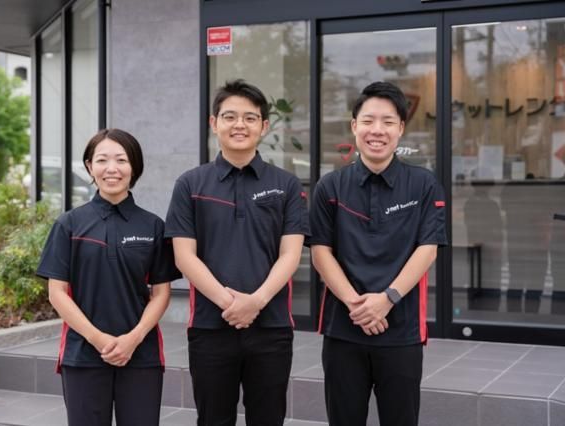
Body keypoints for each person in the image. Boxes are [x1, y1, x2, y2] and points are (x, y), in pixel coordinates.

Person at [165, 79, 309, 425]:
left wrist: (256, 301)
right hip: (211, 327)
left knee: (268, 418)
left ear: (264, 126)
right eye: (230, 117)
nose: (239, 125)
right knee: (213, 419)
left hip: (271, 326)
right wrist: (231, 304)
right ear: (214, 123)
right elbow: (184, 256)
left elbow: (291, 254)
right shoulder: (190, 184)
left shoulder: (286, 185)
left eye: (249, 117)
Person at [308, 81, 447, 426]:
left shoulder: (424, 184)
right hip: (343, 329)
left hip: (402, 330)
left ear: (401, 129)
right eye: (368, 121)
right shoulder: (330, 186)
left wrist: (387, 299)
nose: (377, 130)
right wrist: (357, 305)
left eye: (388, 121)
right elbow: (321, 253)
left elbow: (427, 249)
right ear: (354, 126)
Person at [37, 128, 181, 426]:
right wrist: (99, 339)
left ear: (134, 167)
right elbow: (57, 293)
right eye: (102, 160)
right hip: (83, 354)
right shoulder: (69, 224)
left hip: (141, 354)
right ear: (89, 166)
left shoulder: (153, 226)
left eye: (121, 160)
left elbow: (161, 293)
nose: (111, 168)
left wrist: (133, 338)